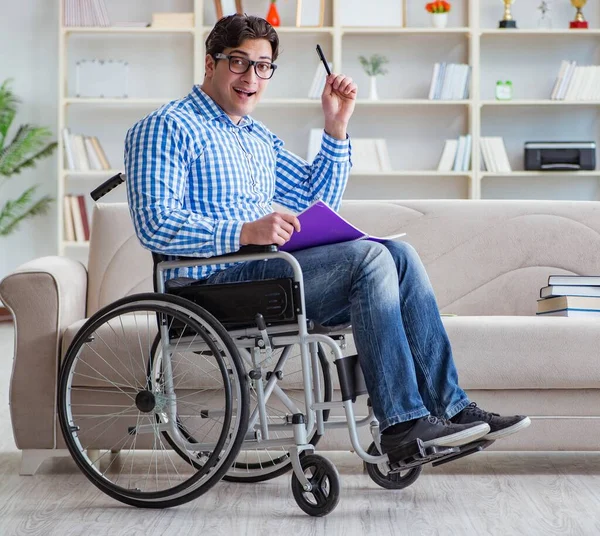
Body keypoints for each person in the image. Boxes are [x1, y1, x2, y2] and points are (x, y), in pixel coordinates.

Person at [124, 14, 530, 460]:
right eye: (239, 62)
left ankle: (451, 411)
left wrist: (335, 127)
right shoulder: (166, 127)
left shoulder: (257, 138)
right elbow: (155, 223)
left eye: (263, 67)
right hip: (210, 289)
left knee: (399, 254)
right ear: (210, 63)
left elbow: (318, 202)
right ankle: (402, 425)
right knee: (369, 258)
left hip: (269, 278)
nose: (251, 78)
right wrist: (242, 230)